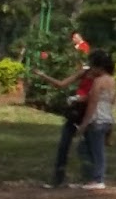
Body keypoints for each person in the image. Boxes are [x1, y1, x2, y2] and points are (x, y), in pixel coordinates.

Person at [33, 53, 95, 188]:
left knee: (87, 147)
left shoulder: (100, 78)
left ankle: (91, 178)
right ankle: (59, 177)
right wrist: (43, 75)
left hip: (89, 111)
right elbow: (62, 84)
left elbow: (94, 96)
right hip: (76, 111)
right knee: (64, 144)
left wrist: (78, 98)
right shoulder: (84, 72)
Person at [73, 51, 116, 190]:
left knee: (96, 151)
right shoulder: (112, 80)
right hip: (107, 118)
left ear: (99, 67)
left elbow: (92, 103)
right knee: (86, 148)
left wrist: (84, 124)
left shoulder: (98, 81)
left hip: (97, 119)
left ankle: (98, 179)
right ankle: (89, 178)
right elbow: (112, 101)